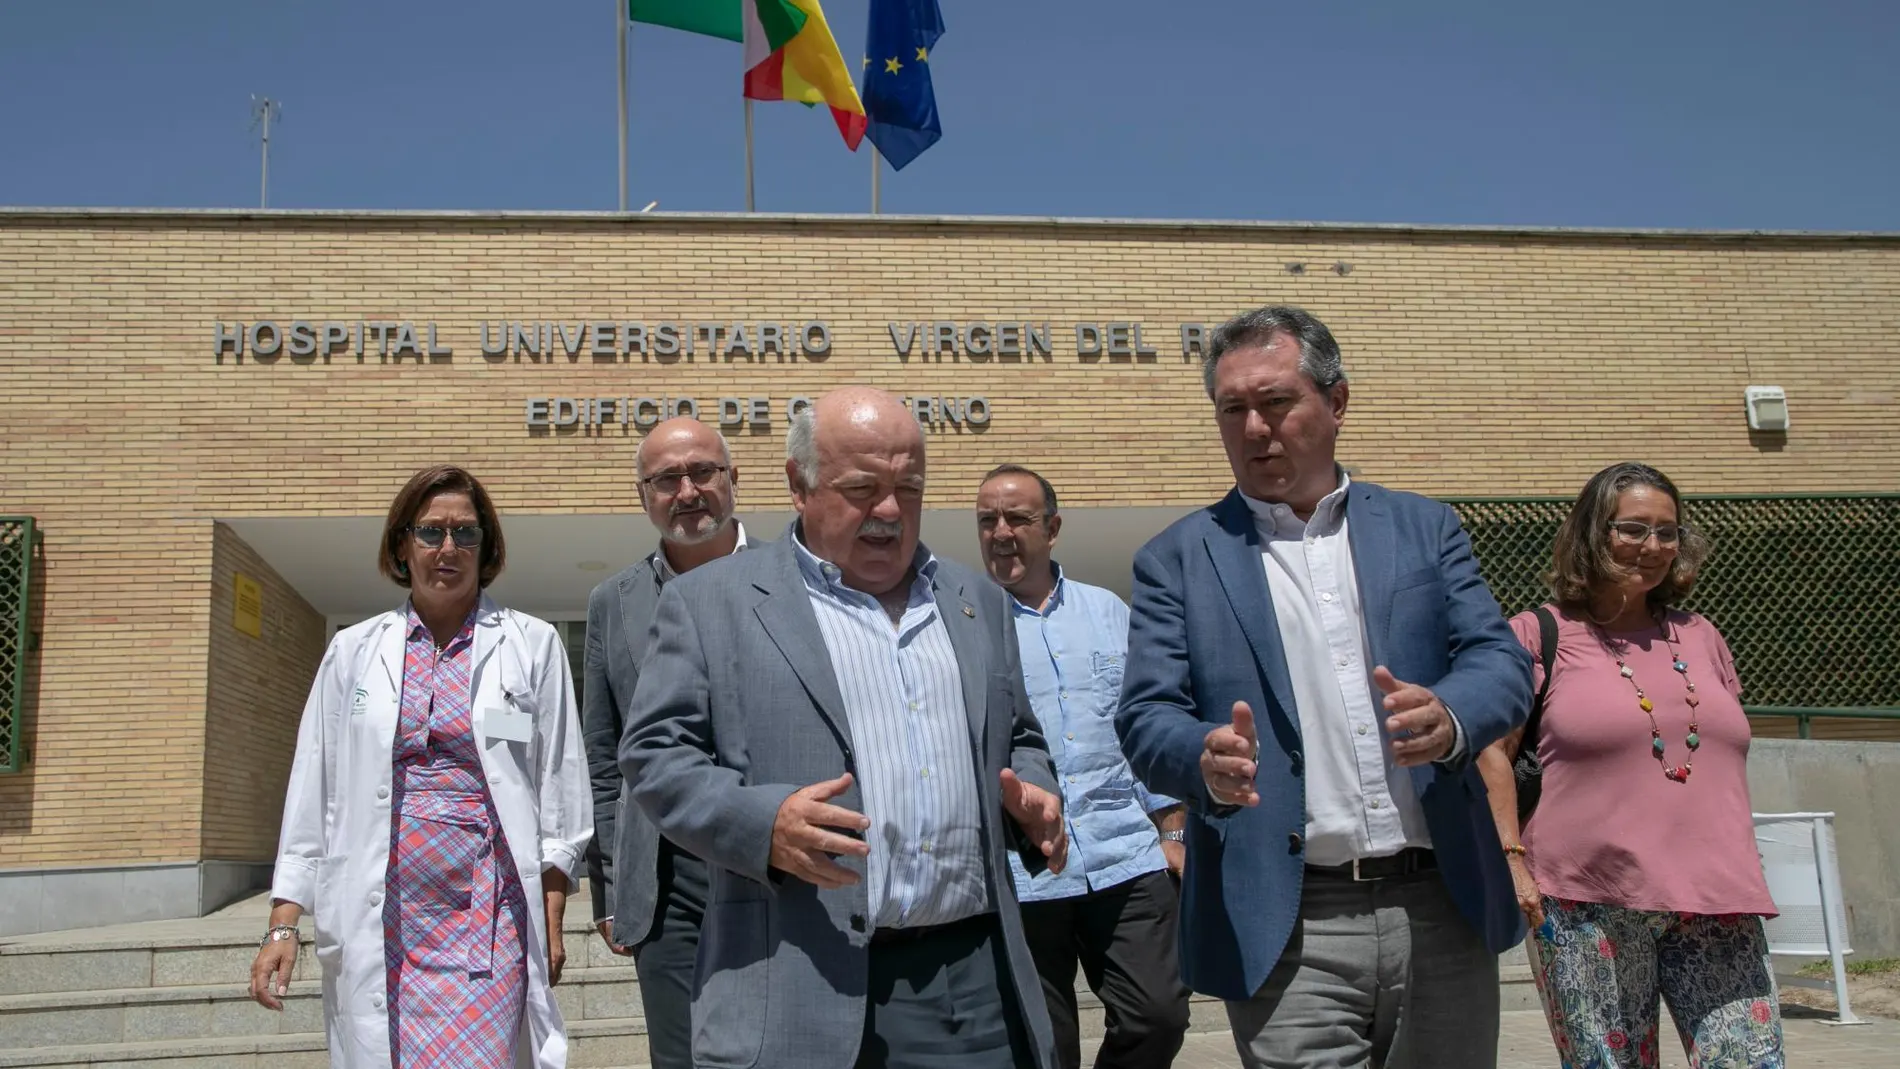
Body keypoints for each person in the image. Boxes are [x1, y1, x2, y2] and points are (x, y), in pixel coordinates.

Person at [1115, 305, 1533, 1069]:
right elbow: (1145, 716)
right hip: (1285, 919)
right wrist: (1199, 757)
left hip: (1441, 901)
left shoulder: (1424, 529)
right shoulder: (1176, 559)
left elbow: (1500, 662)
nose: (1253, 428)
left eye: (1275, 402)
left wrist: (1451, 715)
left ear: (1335, 403)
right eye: (1232, 408)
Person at [621, 387, 1069, 1069]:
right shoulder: (709, 602)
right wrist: (761, 823)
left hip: (970, 984)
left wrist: (1031, 792)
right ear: (799, 486)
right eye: (863, 488)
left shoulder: (975, 600)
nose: (889, 510)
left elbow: (1022, 737)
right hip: (797, 973)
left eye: (908, 487)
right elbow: (654, 756)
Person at [249, 465, 592, 1068]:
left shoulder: (531, 644)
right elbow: (315, 785)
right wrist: (284, 922)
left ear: (487, 547)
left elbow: (559, 783)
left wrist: (553, 912)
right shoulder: (354, 651)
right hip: (380, 915)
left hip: (491, 918)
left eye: (466, 533)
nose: (448, 549)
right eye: (431, 532)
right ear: (401, 545)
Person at [1475, 462, 1785, 1068]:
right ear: (1593, 532)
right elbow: (1493, 751)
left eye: (1667, 532)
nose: (1654, 546)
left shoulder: (1701, 635)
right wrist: (1511, 859)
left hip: (1717, 896)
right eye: (1634, 528)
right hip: (1586, 900)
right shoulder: (1539, 633)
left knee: (1750, 1061)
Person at [975, 463, 1191, 1069]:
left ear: (1053, 527)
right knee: (1043, 1045)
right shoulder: (964, 625)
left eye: (1018, 518)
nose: (1001, 532)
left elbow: (1146, 729)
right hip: (1024, 870)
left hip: (1127, 855)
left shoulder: (1110, 613)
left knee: (1159, 1015)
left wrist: (1173, 828)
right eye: (987, 519)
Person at [580, 417, 752, 1069]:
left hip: (777, 865)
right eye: (666, 478)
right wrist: (608, 885)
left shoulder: (796, 580)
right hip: (665, 883)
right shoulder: (611, 601)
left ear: (734, 479)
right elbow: (605, 751)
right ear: (644, 495)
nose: (687, 490)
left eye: (703, 471)